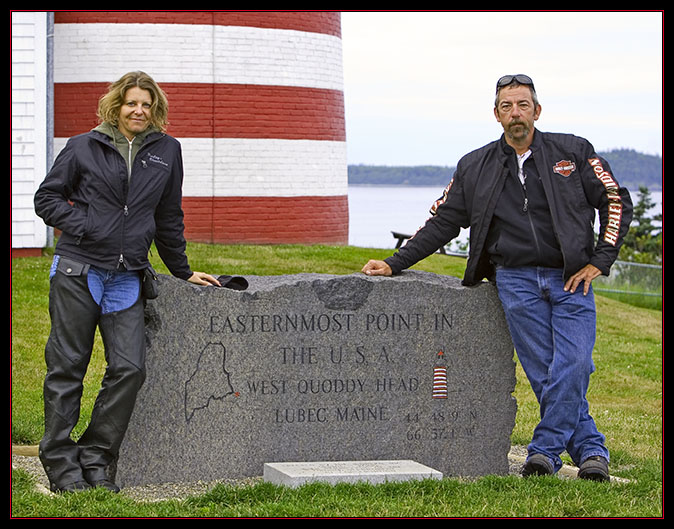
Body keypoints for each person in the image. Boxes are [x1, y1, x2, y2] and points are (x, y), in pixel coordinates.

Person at [362, 74, 632, 482]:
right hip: (515, 280)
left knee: (575, 363)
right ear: (496, 114)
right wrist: (396, 262)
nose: (515, 113)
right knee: (544, 371)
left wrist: (601, 258)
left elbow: (615, 199)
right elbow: (443, 221)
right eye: (506, 106)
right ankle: (591, 453)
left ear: (537, 111)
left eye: (523, 105)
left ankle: (545, 450)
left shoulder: (573, 152)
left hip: (572, 276)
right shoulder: (475, 165)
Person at [33, 71, 220, 493]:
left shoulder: (167, 151)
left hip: (127, 276)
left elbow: (169, 216)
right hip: (78, 270)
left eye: (146, 104)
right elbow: (46, 198)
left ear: (155, 109)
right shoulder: (84, 146)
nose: (139, 110)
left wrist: (182, 269)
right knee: (67, 369)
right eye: (131, 102)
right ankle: (61, 463)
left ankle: (96, 457)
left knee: (129, 369)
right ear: (116, 105)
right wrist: (85, 224)